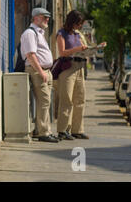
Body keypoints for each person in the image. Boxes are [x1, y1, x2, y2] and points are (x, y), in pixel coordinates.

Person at [21, 8, 58, 143]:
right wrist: (41, 71)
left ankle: (44, 130)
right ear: (36, 18)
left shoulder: (39, 33)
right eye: (44, 17)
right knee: (44, 101)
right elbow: (30, 55)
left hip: (45, 71)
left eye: (48, 17)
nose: (47, 19)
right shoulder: (30, 33)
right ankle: (43, 132)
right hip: (37, 70)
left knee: (46, 102)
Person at [56, 10, 89, 140]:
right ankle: (63, 130)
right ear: (72, 22)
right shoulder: (61, 33)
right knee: (66, 99)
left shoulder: (77, 35)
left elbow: (83, 48)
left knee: (80, 99)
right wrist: (77, 49)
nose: (79, 26)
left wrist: (92, 49)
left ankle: (77, 130)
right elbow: (62, 52)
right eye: (78, 23)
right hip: (68, 67)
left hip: (79, 67)